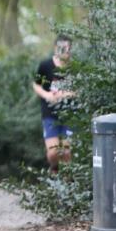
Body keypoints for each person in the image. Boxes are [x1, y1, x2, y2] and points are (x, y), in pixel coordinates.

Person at [32, 35, 74, 172]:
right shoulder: (45, 66)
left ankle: (68, 181)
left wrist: (65, 94)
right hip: (50, 113)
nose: (65, 51)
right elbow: (36, 84)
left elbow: (81, 90)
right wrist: (47, 95)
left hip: (70, 114)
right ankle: (54, 168)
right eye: (62, 48)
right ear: (55, 48)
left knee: (66, 152)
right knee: (53, 152)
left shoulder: (74, 68)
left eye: (68, 48)